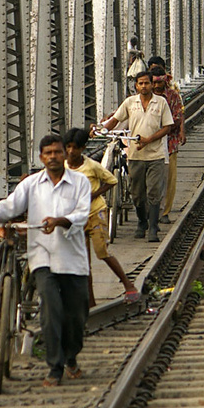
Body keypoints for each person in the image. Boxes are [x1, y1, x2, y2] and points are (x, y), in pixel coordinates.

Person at [0, 134, 91, 387]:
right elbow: (11, 205)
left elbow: (82, 214)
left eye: (58, 152)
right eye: (48, 153)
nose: (54, 157)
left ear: (64, 155)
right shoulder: (32, 184)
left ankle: (71, 357)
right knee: (50, 310)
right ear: (41, 158)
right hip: (42, 255)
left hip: (72, 257)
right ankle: (55, 368)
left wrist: (59, 221)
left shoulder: (80, 182)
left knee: (76, 316)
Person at [63, 127, 140, 306]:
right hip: (76, 218)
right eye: (68, 147)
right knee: (84, 262)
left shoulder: (91, 166)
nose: (71, 151)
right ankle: (90, 302)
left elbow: (111, 181)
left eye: (75, 147)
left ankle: (128, 285)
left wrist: (94, 194)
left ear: (83, 148)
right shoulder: (64, 167)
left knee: (102, 252)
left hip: (95, 213)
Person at [95, 71, 173, 242]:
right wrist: (102, 130)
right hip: (136, 155)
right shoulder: (130, 103)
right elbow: (115, 119)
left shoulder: (161, 103)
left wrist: (149, 140)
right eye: (140, 83)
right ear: (136, 86)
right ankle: (142, 222)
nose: (144, 86)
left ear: (152, 84)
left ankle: (153, 228)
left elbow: (167, 127)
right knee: (137, 193)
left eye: (147, 83)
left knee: (153, 191)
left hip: (155, 155)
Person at [149, 65, 186, 224]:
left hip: (169, 142)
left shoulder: (172, 96)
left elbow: (179, 115)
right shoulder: (143, 96)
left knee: (169, 179)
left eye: (159, 83)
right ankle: (150, 211)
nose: (157, 86)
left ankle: (164, 212)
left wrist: (180, 131)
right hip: (148, 143)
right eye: (154, 83)